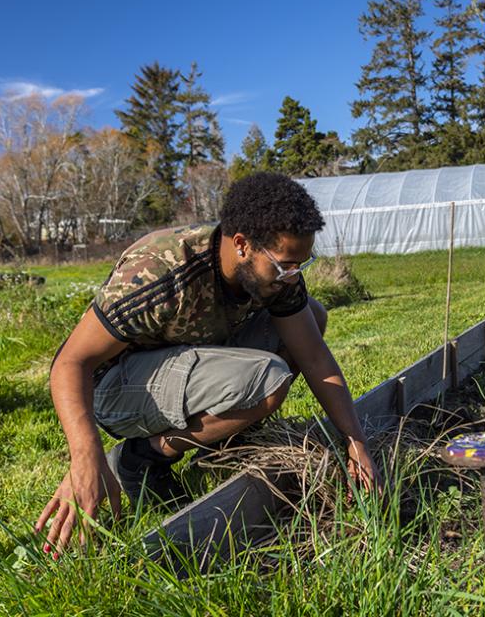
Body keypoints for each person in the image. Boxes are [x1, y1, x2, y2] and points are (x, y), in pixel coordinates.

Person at [34, 172, 383, 556]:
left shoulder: (278, 274)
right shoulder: (159, 269)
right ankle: (145, 458)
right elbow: (71, 362)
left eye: (303, 263)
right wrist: (86, 458)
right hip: (117, 388)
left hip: (186, 361)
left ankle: (221, 442)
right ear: (242, 245)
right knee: (269, 380)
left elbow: (314, 356)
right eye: (285, 265)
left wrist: (356, 441)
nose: (293, 275)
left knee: (311, 318)